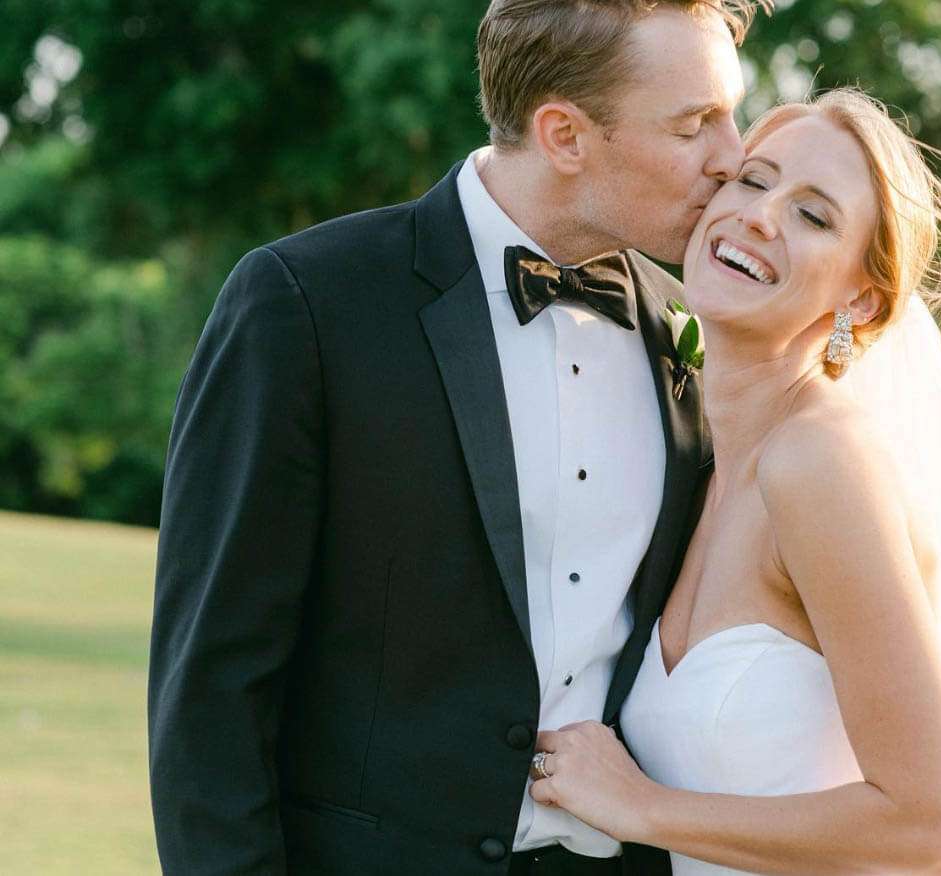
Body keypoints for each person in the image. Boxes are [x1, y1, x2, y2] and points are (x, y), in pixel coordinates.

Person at [147, 2, 770, 873]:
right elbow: (211, 691)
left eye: (731, 115)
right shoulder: (304, 305)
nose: (733, 157)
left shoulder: (692, 331)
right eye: (694, 124)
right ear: (563, 135)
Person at [525, 90, 941, 876]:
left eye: (814, 216)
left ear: (860, 298)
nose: (761, 216)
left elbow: (927, 828)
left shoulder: (820, 465)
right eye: (754, 182)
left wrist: (640, 806)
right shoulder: (698, 458)